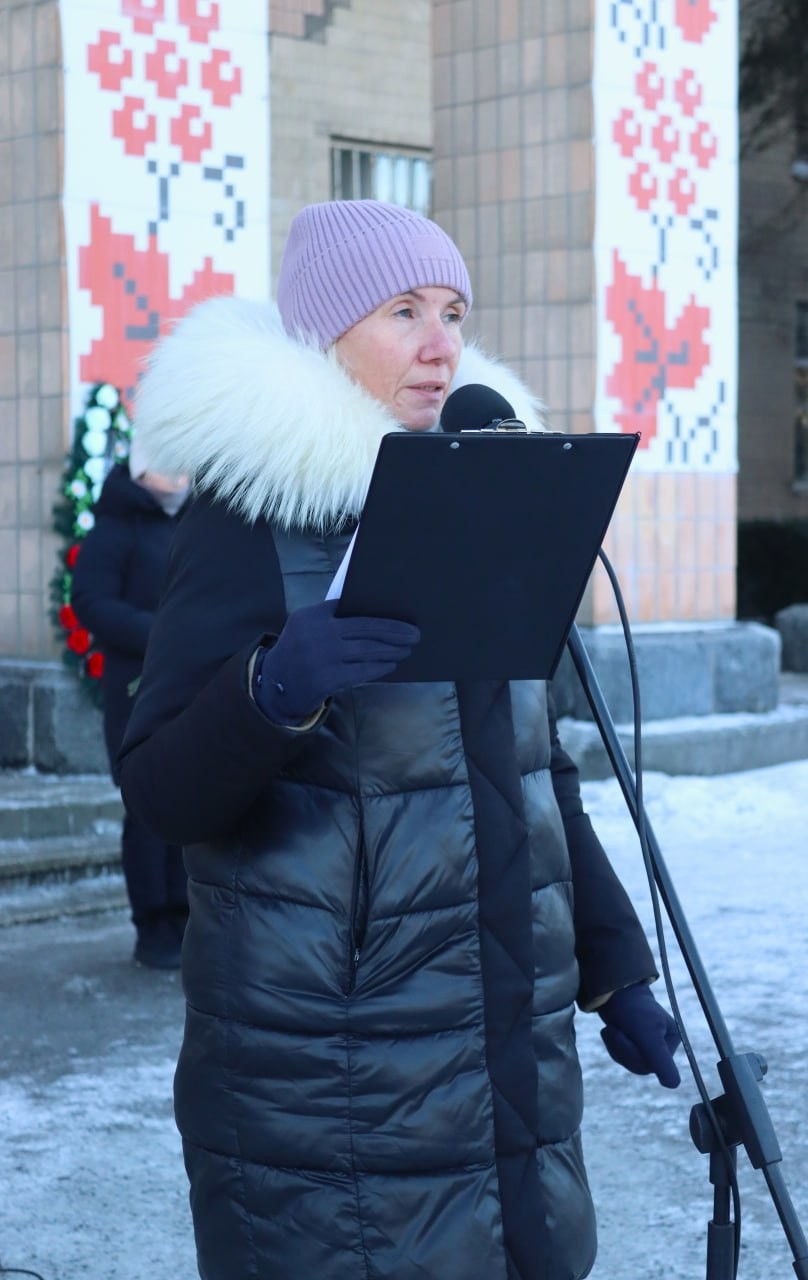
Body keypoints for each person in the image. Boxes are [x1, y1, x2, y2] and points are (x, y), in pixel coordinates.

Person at [118, 199, 681, 1280]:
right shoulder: (247, 521)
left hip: (504, 1052)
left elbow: (537, 772)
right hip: (328, 1085)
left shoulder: (483, 498)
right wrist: (271, 688)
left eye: (455, 311)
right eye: (404, 311)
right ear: (325, 333)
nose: (441, 344)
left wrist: (615, 969)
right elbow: (159, 792)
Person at [70, 441, 190, 969]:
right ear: (142, 470)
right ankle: (154, 925)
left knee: (194, 799)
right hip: (135, 683)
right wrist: (158, 633)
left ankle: (190, 920)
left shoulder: (196, 523)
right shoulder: (116, 526)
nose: (179, 476)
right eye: (167, 466)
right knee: (146, 806)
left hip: (191, 682)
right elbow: (90, 601)